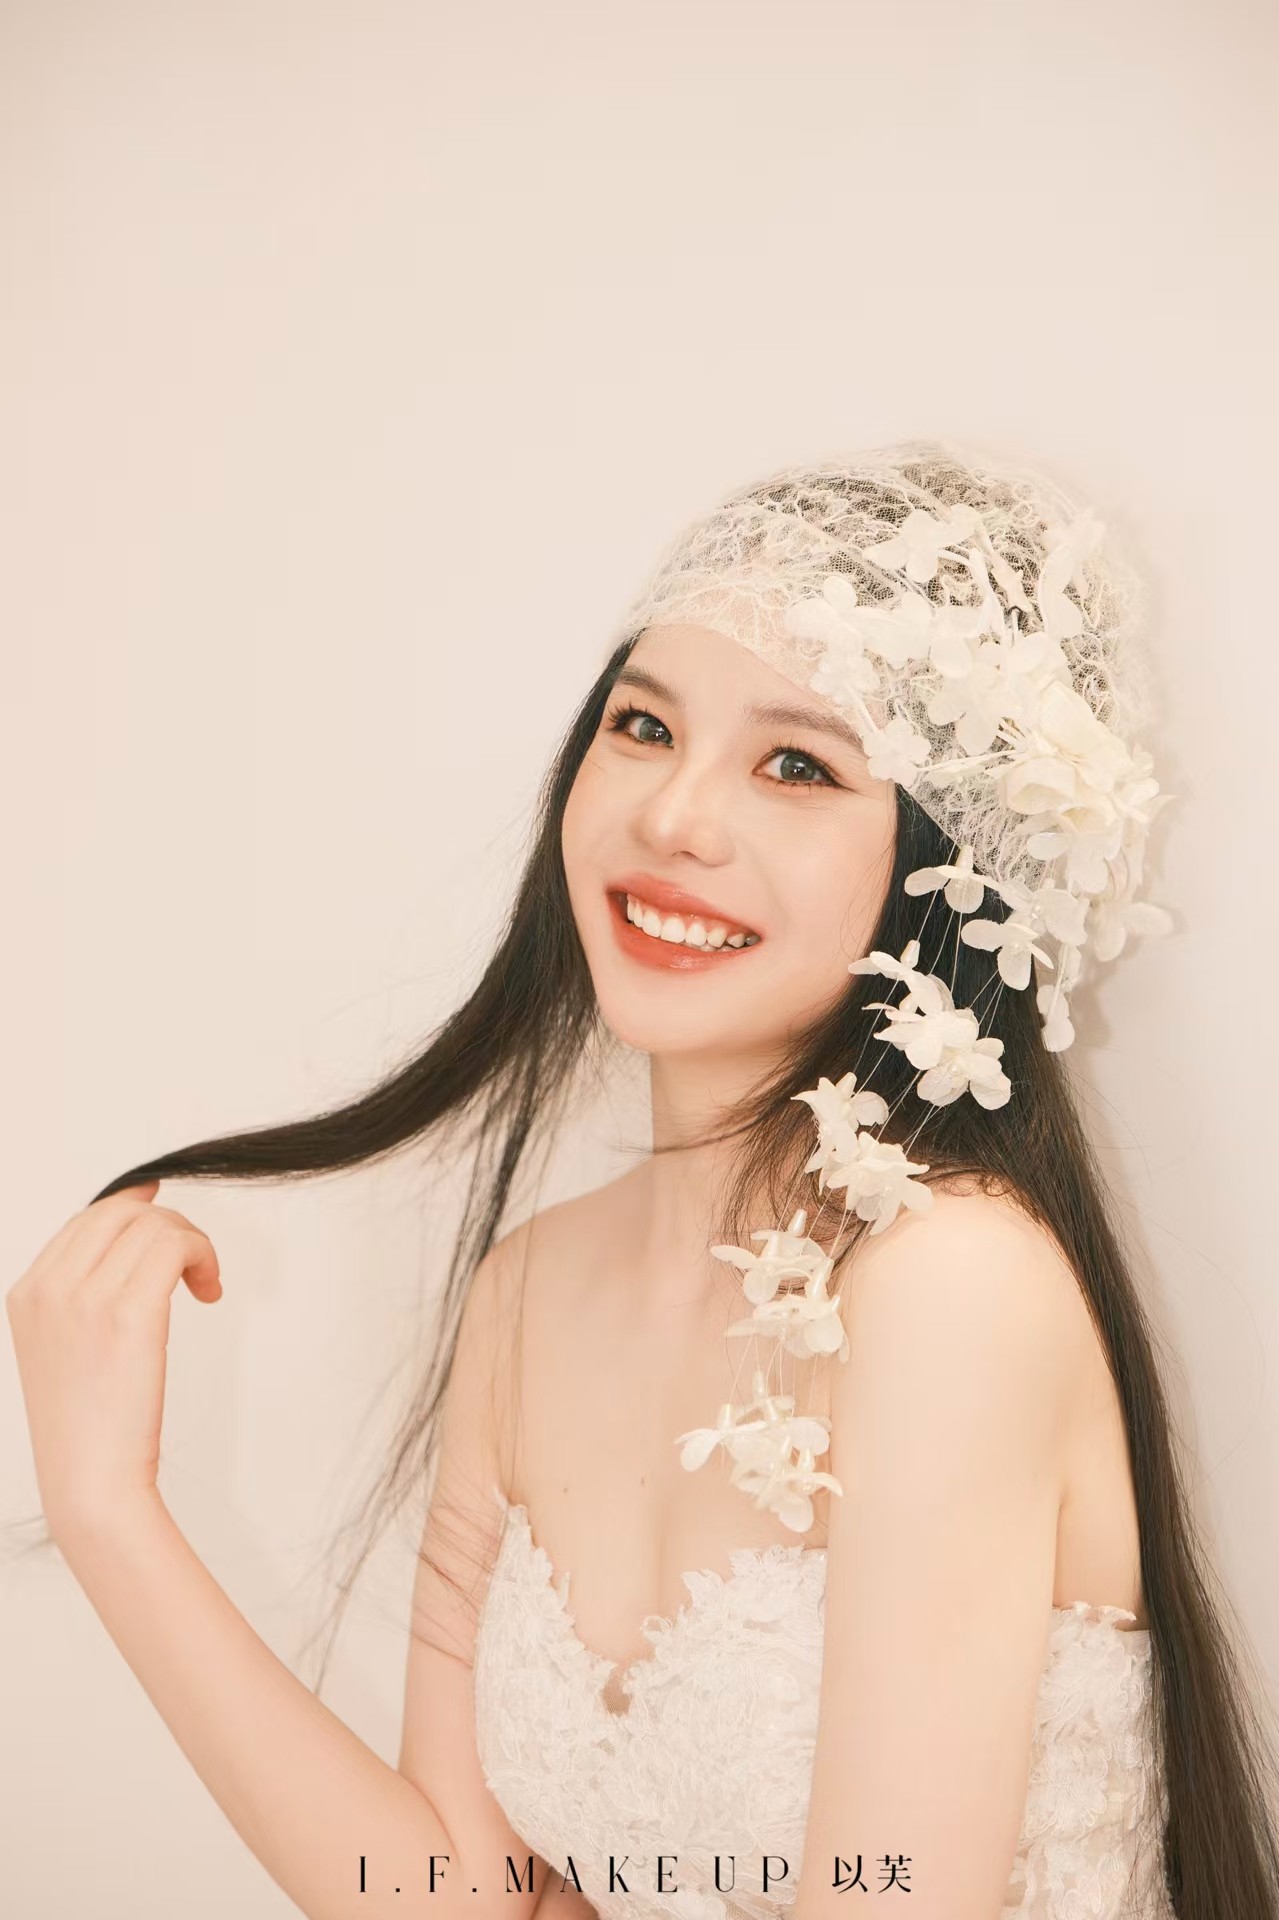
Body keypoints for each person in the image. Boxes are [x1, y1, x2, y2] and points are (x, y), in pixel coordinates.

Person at [8, 440, 1279, 1920]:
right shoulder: (529, 1289)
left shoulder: (951, 1282)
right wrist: (107, 1510)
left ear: (950, 872)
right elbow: (456, 1897)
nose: (673, 815)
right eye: (643, 724)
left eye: (798, 764)